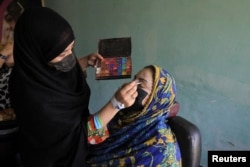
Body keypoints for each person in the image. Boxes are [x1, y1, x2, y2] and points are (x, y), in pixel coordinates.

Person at [9, 7, 139, 167]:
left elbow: (56, 77)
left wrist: (82, 63)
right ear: (38, 54)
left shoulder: (39, 69)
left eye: (72, 48)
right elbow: (82, 136)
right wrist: (116, 104)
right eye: (63, 54)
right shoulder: (34, 100)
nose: (70, 56)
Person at [86, 65, 182, 167]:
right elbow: (89, 136)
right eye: (134, 79)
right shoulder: (125, 116)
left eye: (140, 84)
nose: (131, 85)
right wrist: (115, 104)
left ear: (156, 99)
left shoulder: (161, 150)